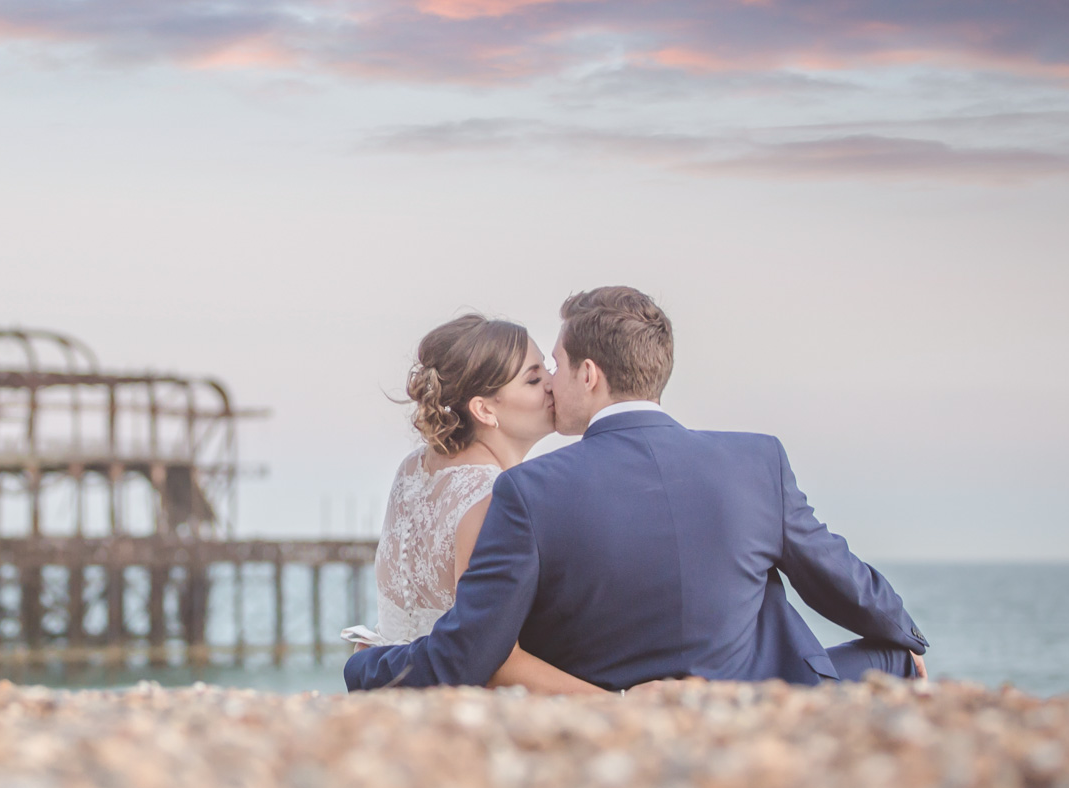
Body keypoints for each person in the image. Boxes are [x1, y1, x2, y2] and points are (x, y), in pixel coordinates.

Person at [347, 287, 928, 693]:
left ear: (590, 375)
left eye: (556, 365)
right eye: (537, 373)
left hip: (603, 697)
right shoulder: (758, 460)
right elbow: (840, 579)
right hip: (750, 699)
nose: (551, 380)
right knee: (893, 661)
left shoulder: (527, 490)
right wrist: (907, 639)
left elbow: (475, 648)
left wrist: (365, 669)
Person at [356, 314, 608, 696]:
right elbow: (492, 659)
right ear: (485, 410)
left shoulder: (411, 470)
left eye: (549, 372)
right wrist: (615, 701)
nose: (553, 387)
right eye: (533, 379)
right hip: (453, 710)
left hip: (391, 694)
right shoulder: (492, 497)